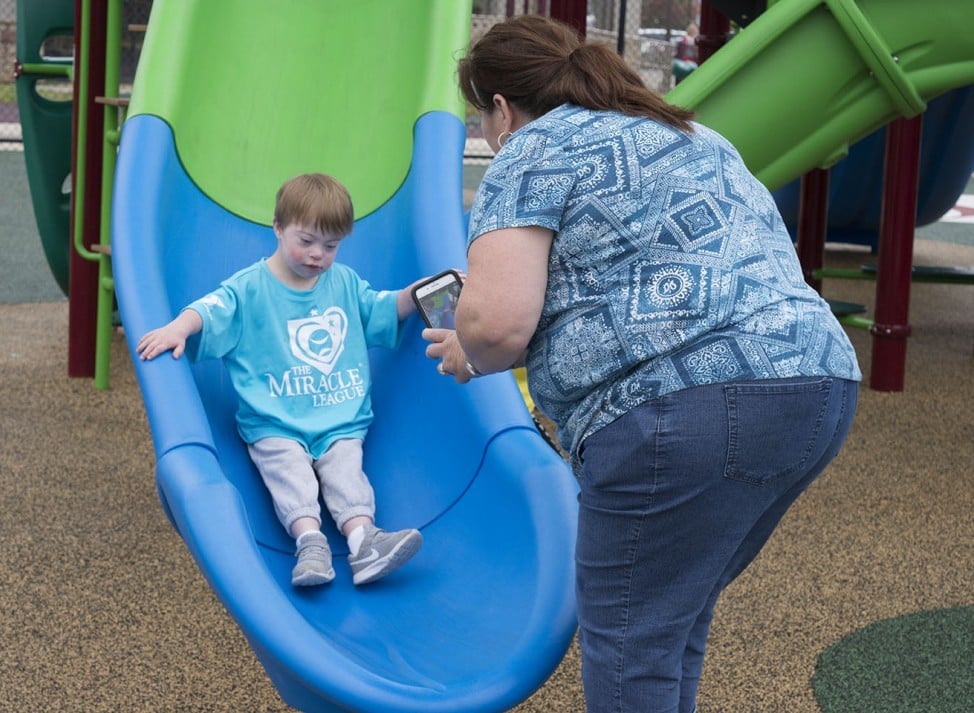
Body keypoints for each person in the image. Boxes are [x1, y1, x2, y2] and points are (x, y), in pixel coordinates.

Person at [426, 15, 860, 712]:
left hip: (678, 405)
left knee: (632, 639)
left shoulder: (530, 147)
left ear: (501, 109)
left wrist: (466, 349)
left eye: (483, 117)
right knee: (669, 619)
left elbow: (497, 323)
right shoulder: (689, 131)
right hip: (816, 383)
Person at [137, 173, 423, 588]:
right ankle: (310, 544)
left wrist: (415, 295)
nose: (317, 255)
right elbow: (211, 309)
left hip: (338, 417)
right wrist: (178, 328)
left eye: (330, 245)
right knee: (289, 473)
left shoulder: (341, 281)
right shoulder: (251, 288)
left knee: (347, 472)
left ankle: (364, 541)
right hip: (275, 420)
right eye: (305, 241)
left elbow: (377, 308)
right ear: (277, 227)